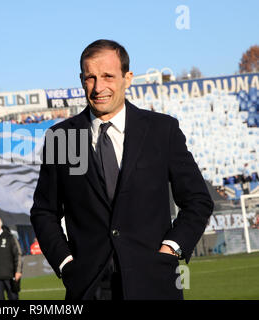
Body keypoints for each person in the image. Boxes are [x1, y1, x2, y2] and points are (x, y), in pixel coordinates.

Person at [30, 39, 214, 300]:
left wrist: (171, 249)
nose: (98, 87)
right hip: (88, 287)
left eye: (108, 76)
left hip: (154, 282)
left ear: (128, 78)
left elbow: (197, 201)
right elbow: (44, 212)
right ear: (82, 80)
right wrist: (66, 263)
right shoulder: (62, 138)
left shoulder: (162, 130)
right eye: (90, 77)